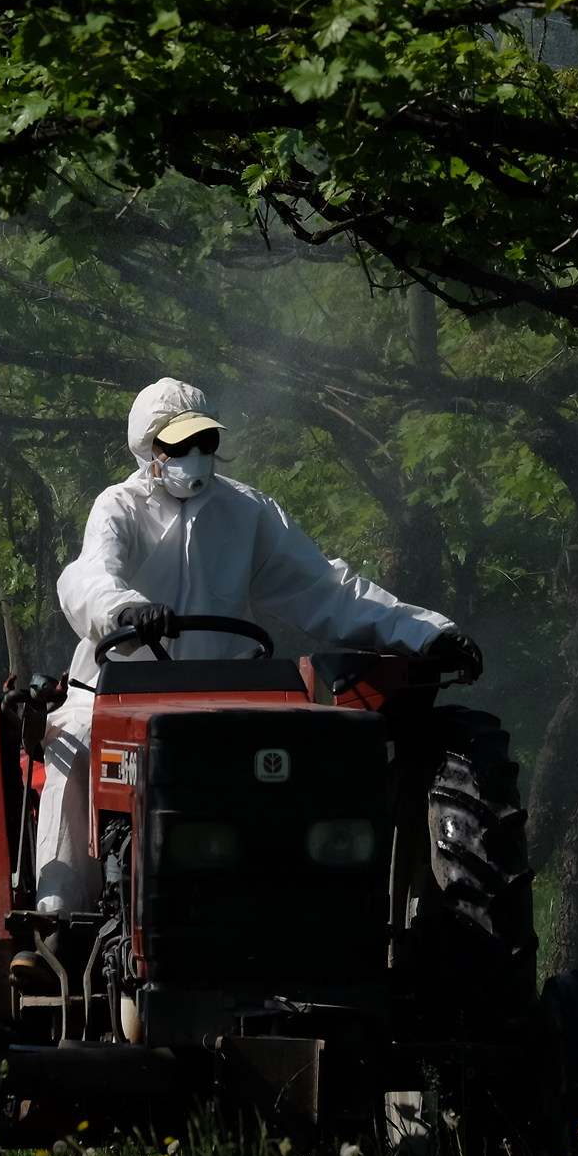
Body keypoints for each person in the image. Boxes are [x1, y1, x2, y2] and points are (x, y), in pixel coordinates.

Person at [31, 376, 481, 916]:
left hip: (230, 697)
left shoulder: (248, 512)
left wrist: (426, 633)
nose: (195, 457)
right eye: (179, 446)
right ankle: (59, 919)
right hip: (117, 694)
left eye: (206, 444)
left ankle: (308, 917)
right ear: (148, 448)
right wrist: (124, 610)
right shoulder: (119, 507)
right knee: (72, 743)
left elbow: (329, 590)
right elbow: (87, 577)